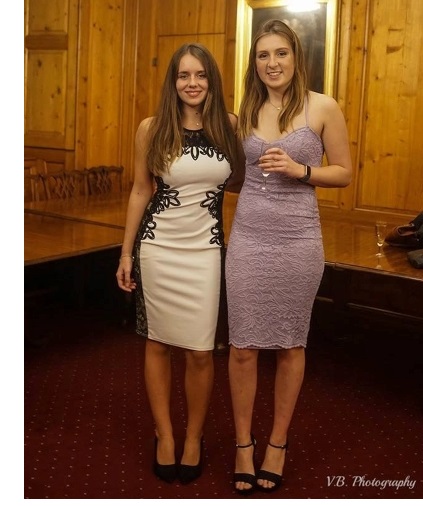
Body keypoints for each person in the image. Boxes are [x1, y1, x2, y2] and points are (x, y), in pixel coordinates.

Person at [225, 19, 352, 494]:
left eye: (280, 53)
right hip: (249, 237)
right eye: (262, 55)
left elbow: (343, 173)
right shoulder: (242, 110)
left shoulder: (323, 106)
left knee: (291, 345)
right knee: (242, 346)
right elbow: (234, 177)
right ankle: (242, 443)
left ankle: (277, 443)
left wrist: (301, 170)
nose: (271, 63)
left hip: (298, 240)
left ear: (296, 57)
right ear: (254, 63)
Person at [116, 43, 243, 485]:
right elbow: (139, 191)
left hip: (205, 251)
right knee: (158, 344)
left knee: (201, 352)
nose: (192, 83)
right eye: (184, 75)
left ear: (212, 81)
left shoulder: (229, 126)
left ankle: (194, 437)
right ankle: (164, 435)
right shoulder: (151, 129)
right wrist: (126, 252)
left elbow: (246, 184)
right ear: (173, 82)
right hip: (157, 249)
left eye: (201, 75)